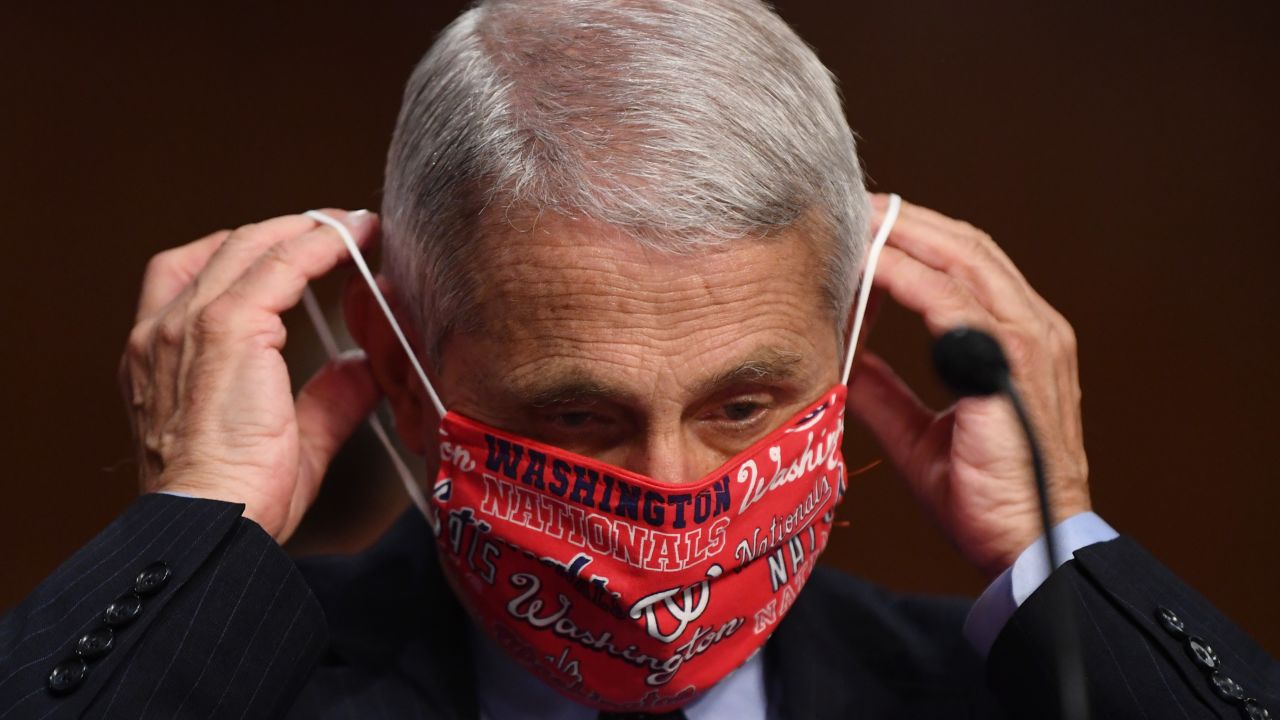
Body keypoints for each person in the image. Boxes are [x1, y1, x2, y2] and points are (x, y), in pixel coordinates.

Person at [2, 0, 1276, 718]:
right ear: (404, 376)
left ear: (842, 356)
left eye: (743, 403)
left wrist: (1053, 552)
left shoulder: (1021, 695)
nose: (673, 496)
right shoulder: (217, 691)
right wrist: (193, 525)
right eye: (577, 416)